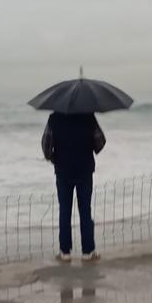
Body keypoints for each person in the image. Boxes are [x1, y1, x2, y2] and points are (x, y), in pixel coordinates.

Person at [41, 112, 106, 262]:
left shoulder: (54, 118)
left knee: (64, 211)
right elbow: (100, 142)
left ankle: (65, 252)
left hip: (63, 171)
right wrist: (88, 147)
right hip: (85, 170)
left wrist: (53, 158)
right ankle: (88, 252)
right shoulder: (88, 116)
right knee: (85, 210)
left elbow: (46, 146)